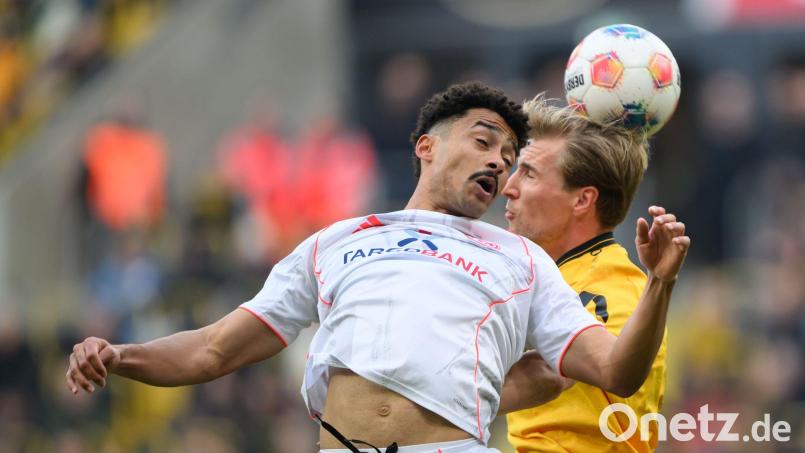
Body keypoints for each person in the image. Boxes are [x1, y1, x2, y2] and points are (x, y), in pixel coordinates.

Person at [65, 82, 689, 452]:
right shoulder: (337, 241)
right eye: (483, 141)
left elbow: (617, 372)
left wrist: (660, 282)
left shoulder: (520, 259)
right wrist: (121, 356)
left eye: (509, 155)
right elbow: (211, 350)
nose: (499, 164)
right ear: (426, 146)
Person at [501, 97, 671, 452]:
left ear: (582, 200)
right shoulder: (545, 278)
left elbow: (604, 371)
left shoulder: (613, 287)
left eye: (529, 173)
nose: (509, 187)